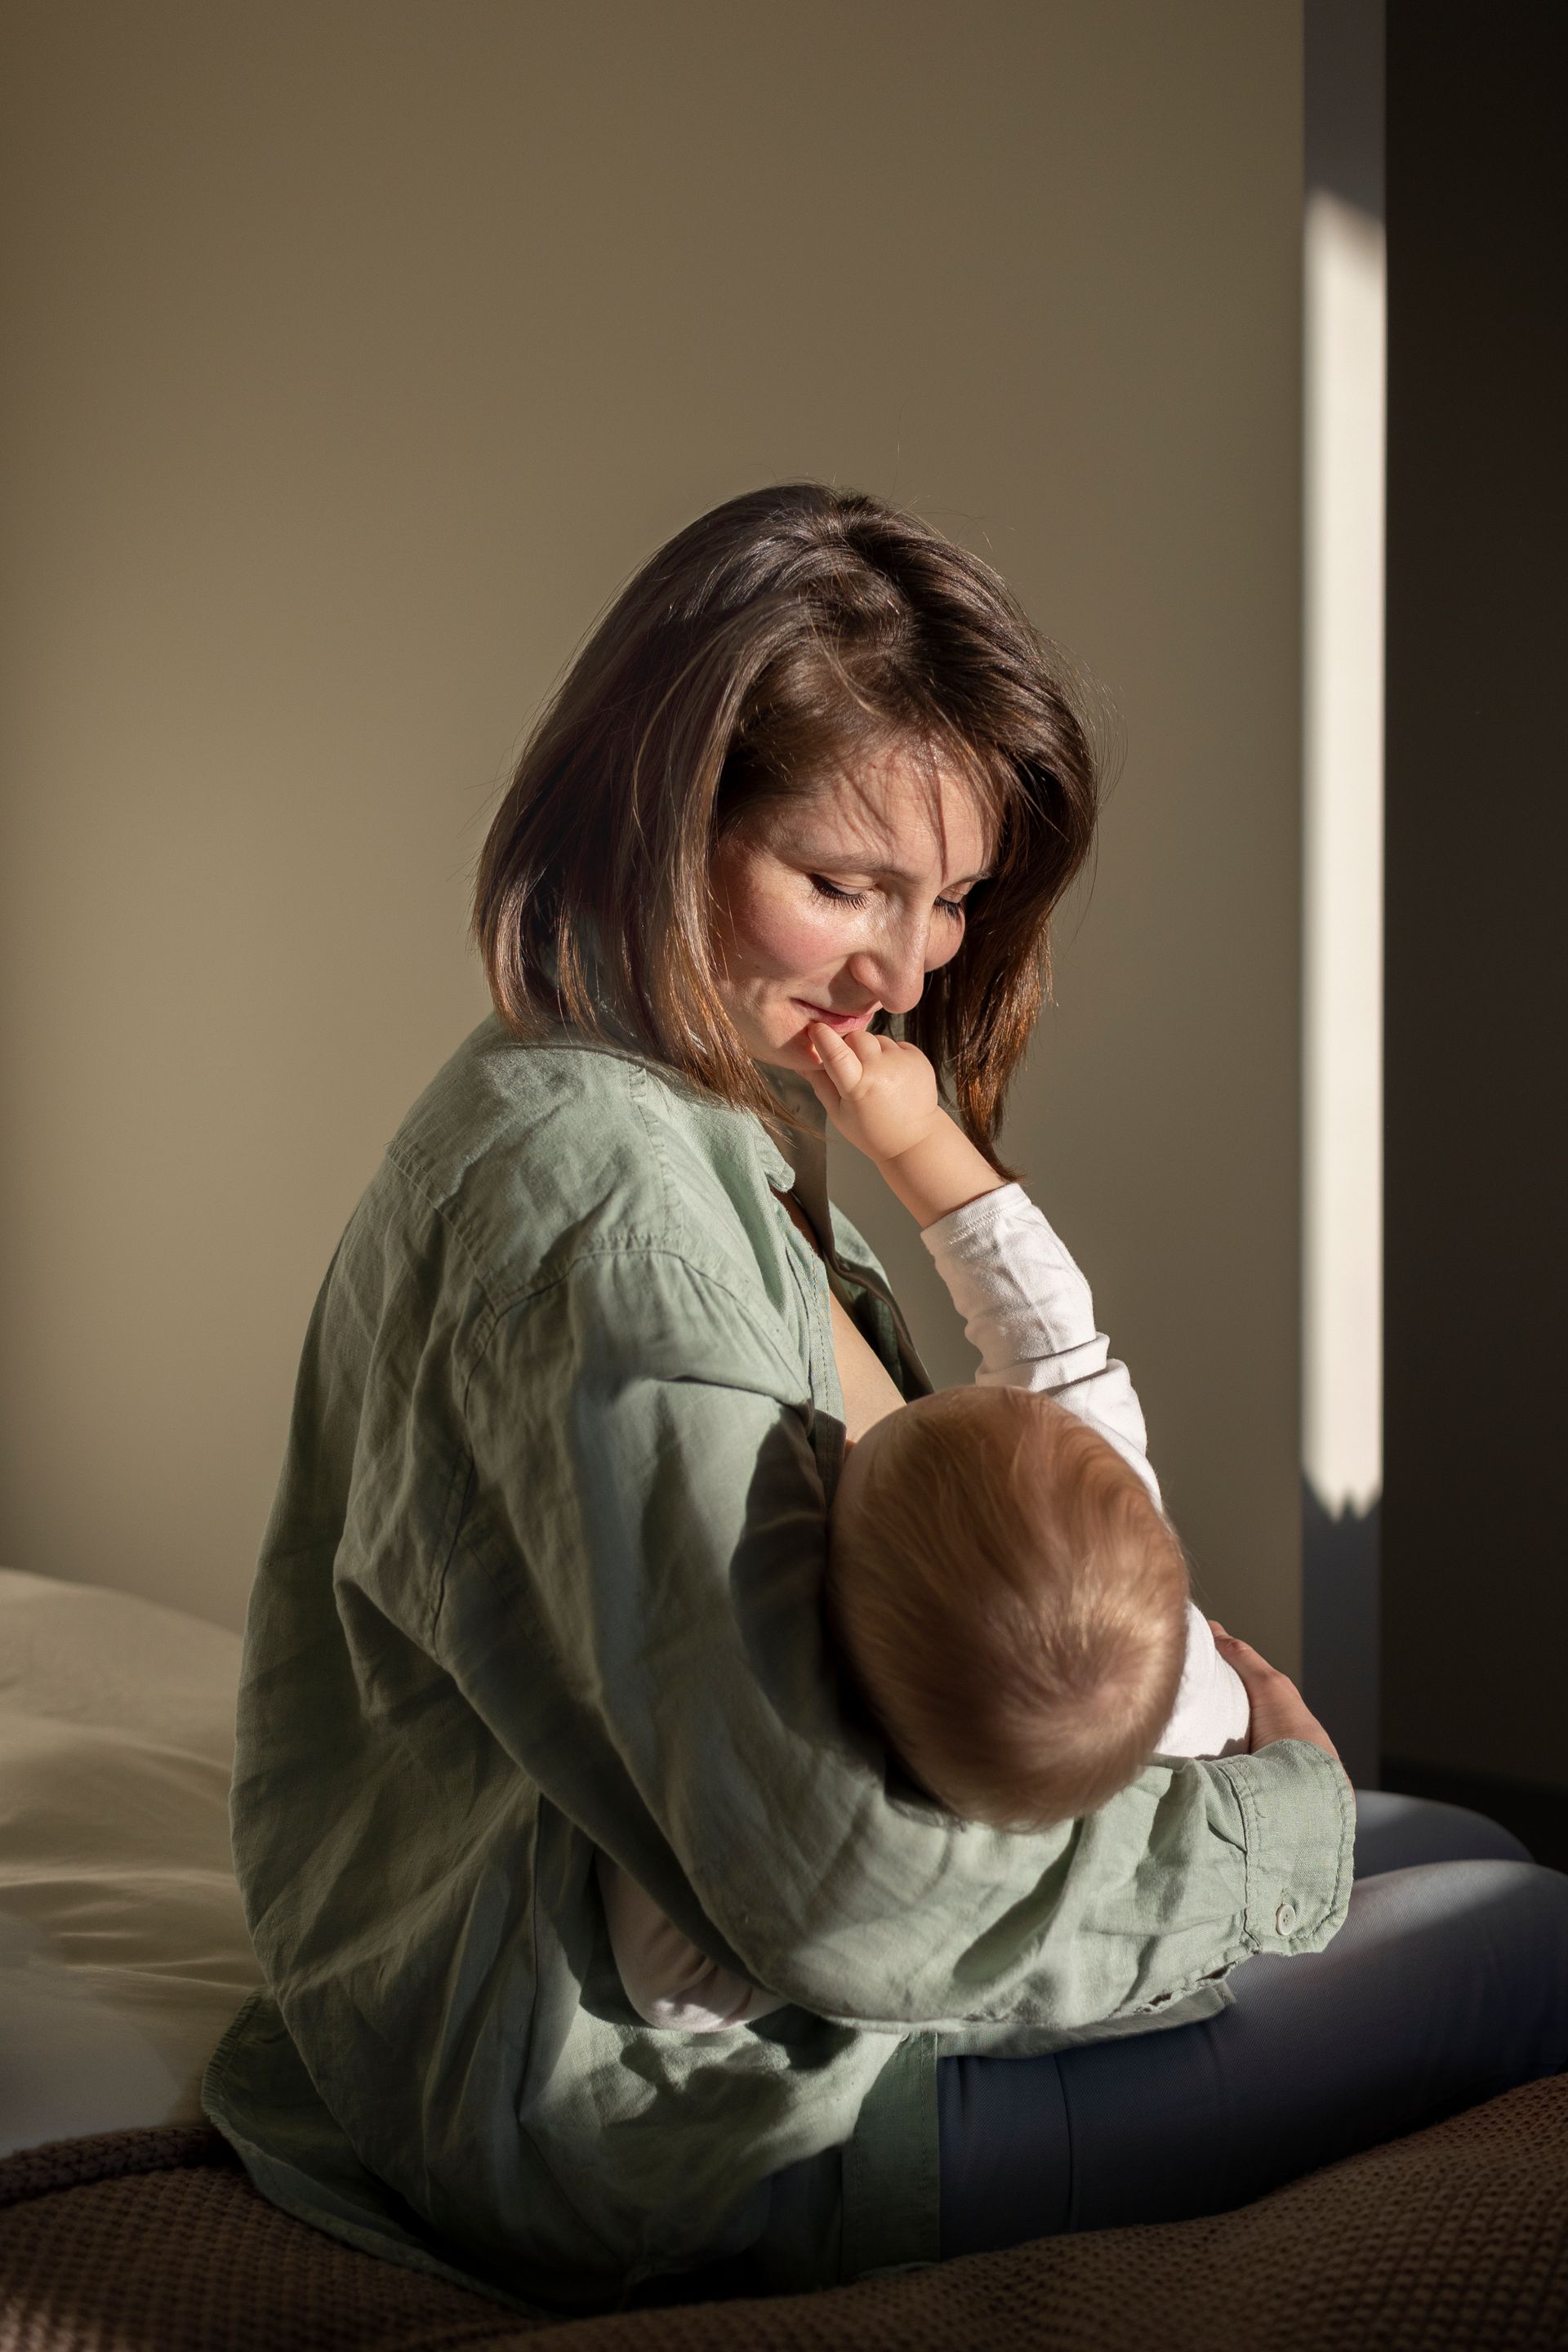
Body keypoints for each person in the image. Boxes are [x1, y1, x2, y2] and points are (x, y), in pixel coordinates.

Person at [205, 483, 1568, 2317]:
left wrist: (1261, 1810)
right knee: (1531, 1936)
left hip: (632, 2002)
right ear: (660, 817)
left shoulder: (668, 1084)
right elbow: (842, 1894)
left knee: (1471, 1853)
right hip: (677, 2121)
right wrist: (1288, 1820)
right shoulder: (614, 1215)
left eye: (951, 900)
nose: (907, 969)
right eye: (845, 885)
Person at [599, 1020, 1250, 2034]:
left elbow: (674, 1987)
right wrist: (913, 1139)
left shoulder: (882, 1804)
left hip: (1058, 2030)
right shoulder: (1194, 1692)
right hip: (1184, 1958)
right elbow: (1047, 1331)